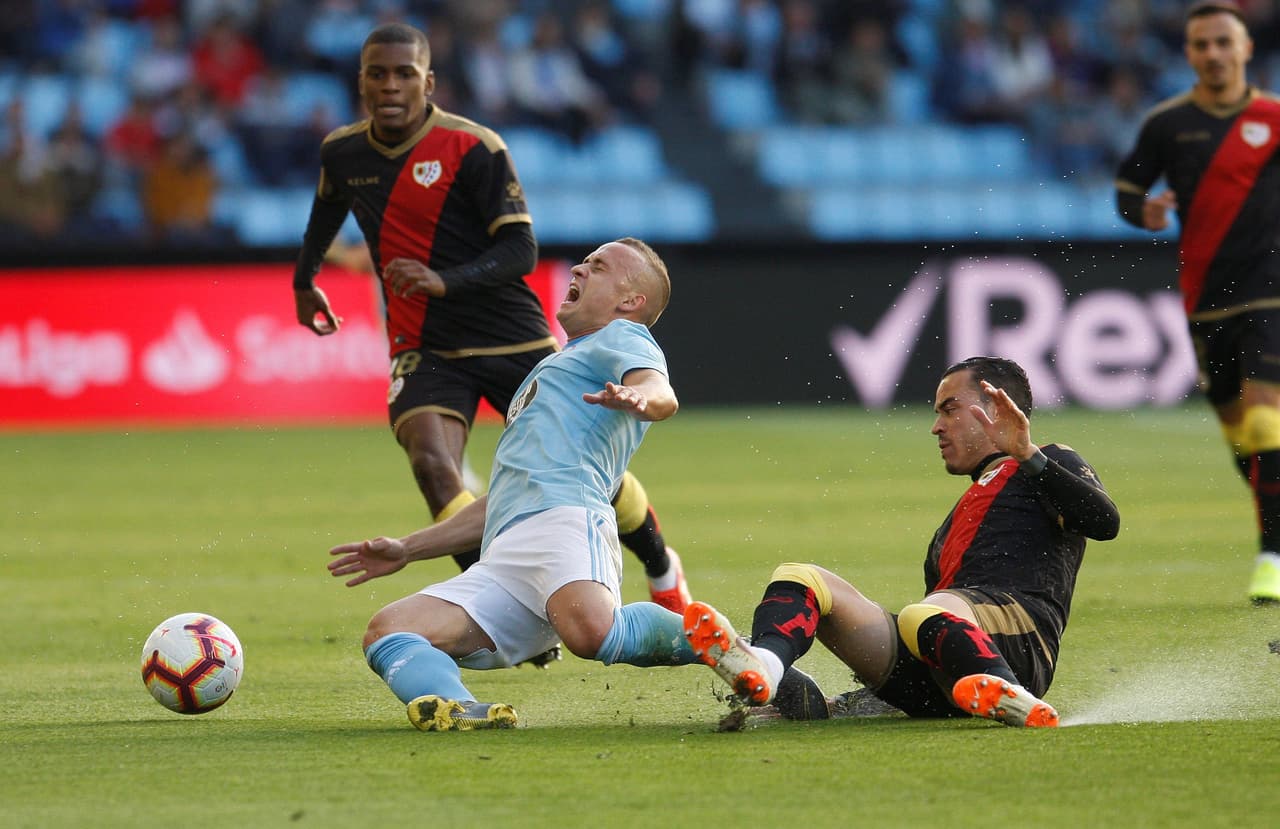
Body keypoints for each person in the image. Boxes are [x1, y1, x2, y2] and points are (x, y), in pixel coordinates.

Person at [291, 22, 690, 621]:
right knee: (432, 464)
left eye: (404, 74)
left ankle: (660, 564)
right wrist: (305, 280)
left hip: (509, 333)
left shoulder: (473, 148)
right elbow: (327, 211)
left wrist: (444, 280)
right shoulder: (342, 152)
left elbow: (520, 251)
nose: (390, 85)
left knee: (582, 469)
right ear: (362, 82)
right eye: (378, 73)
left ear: (428, 82)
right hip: (421, 342)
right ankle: (493, 599)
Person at [327, 238, 701, 731]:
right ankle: (457, 706)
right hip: (507, 556)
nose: (581, 270)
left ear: (630, 302)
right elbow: (500, 502)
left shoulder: (621, 337)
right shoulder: (553, 368)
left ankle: (713, 641)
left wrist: (640, 396)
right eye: (583, 263)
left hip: (567, 523)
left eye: (599, 267)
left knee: (592, 633)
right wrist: (406, 549)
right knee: (388, 630)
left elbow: (661, 390)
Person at [683, 357, 1120, 728]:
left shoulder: (1049, 461)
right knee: (800, 577)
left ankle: (1011, 695)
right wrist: (851, 706)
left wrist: (1029, 455)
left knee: (924, 612)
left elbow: (1104, 522)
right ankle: (768, 666)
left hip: (1021, 646)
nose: (936, 427)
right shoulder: (956, 522)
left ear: (997, 410)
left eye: (950, 410)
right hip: (947, 663)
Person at [1114, 1, 1280, 604]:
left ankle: (1273, 555)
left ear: (1245, 49)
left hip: (1271, 288)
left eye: (1222, 43)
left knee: (1267, 418)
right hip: (1206, 297)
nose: (1212, 54)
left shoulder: (1273, 119)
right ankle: (1275, 524)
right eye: (1201, 45)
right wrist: (1144, 211)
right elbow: (1127, 191)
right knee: (1244, 437)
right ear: (1188, 53)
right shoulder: (1166, 124)